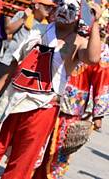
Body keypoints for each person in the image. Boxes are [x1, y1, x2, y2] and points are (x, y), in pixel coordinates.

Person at [0, 0, 102, 179]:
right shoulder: (38, 30)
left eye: (71, 7)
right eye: (62, 5)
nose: (65, 9)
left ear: (79, 15)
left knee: (22, 161)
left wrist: (95, 23)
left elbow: (93, 58)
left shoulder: (78, 42)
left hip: (43, 107)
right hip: (11, 99)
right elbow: (15, 64)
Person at [38, 41, 109, 178]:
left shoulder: (101, 49)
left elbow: (102, 77)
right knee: (33, 146)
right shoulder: (61, 35)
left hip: (70, 108)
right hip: (44, 97)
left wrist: (98, 113)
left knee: (59, 152)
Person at [0, 0, 56, 85]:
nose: (49, 9)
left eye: (51, 7)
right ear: (37, 6)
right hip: (8, 61)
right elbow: (8, 31)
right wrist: (23, 19)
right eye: (46, 6)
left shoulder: (46, 26)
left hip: (24, 68)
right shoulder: (22, 15)